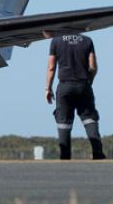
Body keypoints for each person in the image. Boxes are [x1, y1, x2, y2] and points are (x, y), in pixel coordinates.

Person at [45, 32, 106, 160]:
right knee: (89, 119)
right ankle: (98, 153)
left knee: (63, 122)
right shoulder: (87, 41)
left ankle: (65, 156)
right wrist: (89, 82)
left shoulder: (56, 41)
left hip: (64, 86)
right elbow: (93, 66)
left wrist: (48, 88)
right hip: (83, 85)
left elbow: (51, 67)